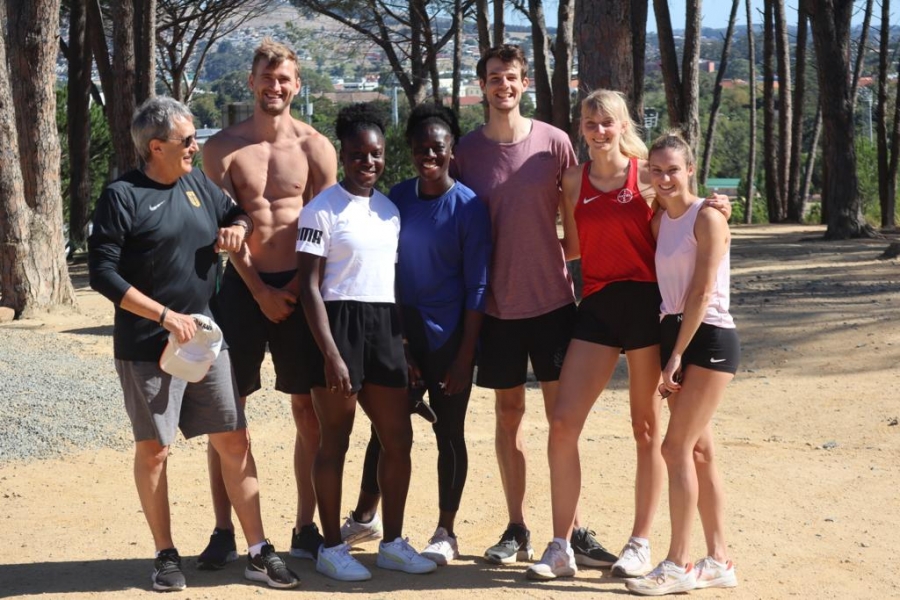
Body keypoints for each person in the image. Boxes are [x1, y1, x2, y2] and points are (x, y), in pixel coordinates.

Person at [88, 96, 298, 591]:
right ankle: (165, 556)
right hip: (148, 346)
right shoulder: (122, 195)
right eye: (186, 140)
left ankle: (257, 550)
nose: (195, 146)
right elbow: (102, 274)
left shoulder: (195, 183)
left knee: (235, 439)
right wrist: (164, 316)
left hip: (207, 340)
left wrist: (235, 231)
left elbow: (238, 214)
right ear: (155, 146)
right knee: (156, 449)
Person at [525, 89, 730, 581]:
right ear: (580, 127)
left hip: (646, 309)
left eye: (607, 123)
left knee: (646, 431)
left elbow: (684, 213)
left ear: (623, 126)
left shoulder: (646, 175)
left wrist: (718, 210)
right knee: (562, 422)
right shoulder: (572, 180)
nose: (598, 131)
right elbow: (574, 250)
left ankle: (640, 543)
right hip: (595, 307)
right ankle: (559, 546)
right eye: (590, 123)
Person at [451, 44, 616, 567]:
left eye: (513, 77)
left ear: (525, 85)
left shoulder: (555, 142)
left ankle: (572, 530)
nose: (504, 85)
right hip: (494, 309)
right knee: (508, 415)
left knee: (561, 420)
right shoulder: (465, 151)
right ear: (483, 87)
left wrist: (558, 259)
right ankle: (518, 528)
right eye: (495, 77)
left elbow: (578, 217)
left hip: (551, 305)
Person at [200, 38, 337, 568]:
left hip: (302, 286)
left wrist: (298, 290)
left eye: (284, 79)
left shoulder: (315, 147)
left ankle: (305, 526)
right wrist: (258, 289)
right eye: (266, 76)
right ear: (252, 81)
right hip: (240, 287)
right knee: (225, 414)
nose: (275, 86)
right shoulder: (223, 150)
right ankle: (222, 530)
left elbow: (328, 229)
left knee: (308, 410)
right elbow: (217, 228)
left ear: (296, 85)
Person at [339, 103, 492, 565]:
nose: (430, 154)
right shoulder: (396, 198)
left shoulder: (470, 207)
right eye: (421, 146)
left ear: (452, 152)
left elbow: (477, 286)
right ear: (409, 149)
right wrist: (400, 341)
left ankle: (445, 530)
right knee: (386, 430)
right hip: (397, 335)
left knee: (449, 431)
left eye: (438, 147)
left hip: (449, 340)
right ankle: (366, 515)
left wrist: (465, 357)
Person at [297, 102, 437, 582]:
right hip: (338, 327)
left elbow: (391, 282)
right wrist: (331, 354)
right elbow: (308, 287)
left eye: (375, 154)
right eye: (358, 155)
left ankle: (393, 543)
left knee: (399, 437)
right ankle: (331, 547)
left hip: (384, 327)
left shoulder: (391, 211)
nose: (368, 163)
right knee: (335, 439)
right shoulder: (320, 210)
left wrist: (404, 345)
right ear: (344, 154)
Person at [625, 132, 739, 596]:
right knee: (698, 451)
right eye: (657, 170)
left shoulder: (707, 217)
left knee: (674, 449)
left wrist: (674, 356)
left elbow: (701, 292)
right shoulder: (658, 222)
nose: (665, 178)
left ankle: (678, 563)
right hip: (672, 331)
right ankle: (719, 560)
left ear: (690, 169)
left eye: (673, 169)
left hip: (708, 336)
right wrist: (669, 346)